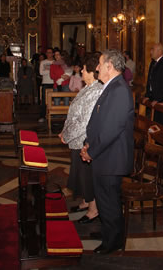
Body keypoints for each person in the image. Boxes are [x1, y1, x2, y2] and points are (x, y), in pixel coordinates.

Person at [80, 49, 134, 255]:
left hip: (111, 156)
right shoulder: (111, 86)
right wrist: (87, 144)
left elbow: (111, 128)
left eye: (100, 64)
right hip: (103, 153)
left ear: (109, 66)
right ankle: (109, 233)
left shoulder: (119, 89)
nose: (97, 68)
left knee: (109, 201)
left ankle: (113, 242)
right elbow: (98, 121)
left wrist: (91, 151)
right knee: (104, 199)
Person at [59, 55, 103, 224]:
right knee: (80, 173)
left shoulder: (96, 91)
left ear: (92, 72)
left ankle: (94, 209)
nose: (82, 71)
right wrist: (65, 131)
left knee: (86, 175)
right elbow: (74, 113)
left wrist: (67, 135)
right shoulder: (87, 88)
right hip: (76, 139)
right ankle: (86, 201)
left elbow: (84, 122)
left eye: (84, 69)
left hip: (84, 139)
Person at [38, 48, 54, 123]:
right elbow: (41, 73)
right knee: (44, 101)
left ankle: (53, 115)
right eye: (47, 52)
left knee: (53, 100)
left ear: (52, 54)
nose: (49, 54)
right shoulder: (43, 62)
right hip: (45, 83)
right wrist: (50, 70)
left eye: (50, 52)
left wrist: (47, 70)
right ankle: (42, 116)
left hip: (54, 83)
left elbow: (56, 73)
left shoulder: (55, 62)